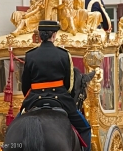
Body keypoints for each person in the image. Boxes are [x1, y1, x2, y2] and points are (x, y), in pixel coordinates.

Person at [19, 20, 91, 151]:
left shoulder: (30, 55)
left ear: (40, 36)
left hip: (34, 98)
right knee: (85, 127)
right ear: (54, 35)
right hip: (60, 99)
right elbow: (69, 85)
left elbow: (25, 85)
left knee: (15, 126)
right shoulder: (64, 54)